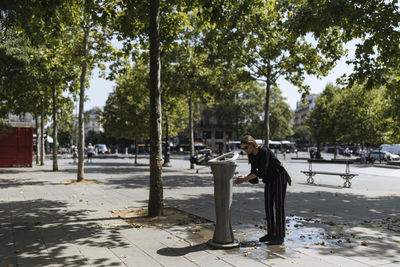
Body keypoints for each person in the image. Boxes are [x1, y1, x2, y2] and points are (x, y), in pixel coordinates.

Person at [234, 135, 292, 245]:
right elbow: (254, 172)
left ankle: (280, 236)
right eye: (243, 148)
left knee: (279, 206)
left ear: (252, 144)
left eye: (246, 148)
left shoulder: (264, 151)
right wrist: (244, 178)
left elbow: (261, 171)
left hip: (279, 176)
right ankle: (271, 233)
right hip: (269, 180)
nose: (245, 151)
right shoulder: (251, 155)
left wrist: (245, 179)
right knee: (268, 206)